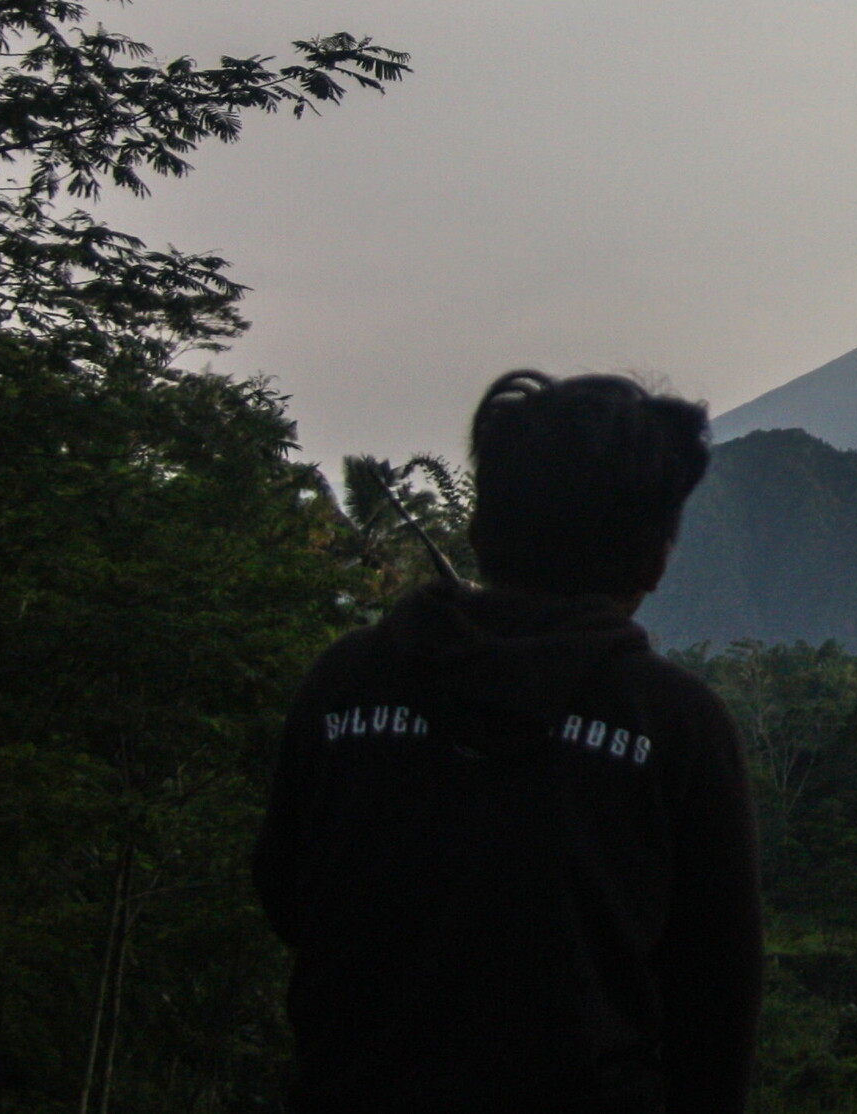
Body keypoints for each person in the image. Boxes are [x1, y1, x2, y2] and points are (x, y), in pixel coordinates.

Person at [254, 371, 762, 1114]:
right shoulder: (674, 727)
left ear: (484, 527)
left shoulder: (346, 687)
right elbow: (717, 1010)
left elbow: (285, 897)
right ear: (655, 556)